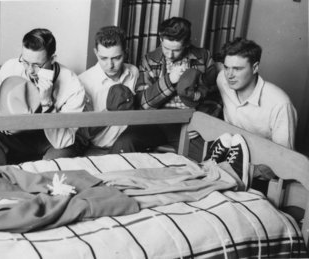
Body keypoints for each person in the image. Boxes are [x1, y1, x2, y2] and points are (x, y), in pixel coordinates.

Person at [0, 28, 86, 167]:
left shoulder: (73, 85)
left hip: (53, 139)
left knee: (54, 161)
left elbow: (63, 141)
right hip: (21, 134)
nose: (29, 70)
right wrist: (8, 126)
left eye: (36, 65)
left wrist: (47, 104)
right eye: (25, 62)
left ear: (52, 59)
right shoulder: (11, 67)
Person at [112, 17, 221, 157]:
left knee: (208, 158)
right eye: (166, 48)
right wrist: (169, 80)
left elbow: (215, 97)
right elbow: (144, 103)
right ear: (160, 39)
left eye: (176, 50)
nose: (170, 55)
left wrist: (201, 122)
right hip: (154, 121)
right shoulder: (149, 59)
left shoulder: (203, 57)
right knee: (123, 144)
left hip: (189, 122)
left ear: (187, 44)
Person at [216, 38, 298, 192]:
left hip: (262, 176)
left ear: (255, 68)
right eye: (227, 67)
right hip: (229, 160)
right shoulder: (223, 80)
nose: (230, 75)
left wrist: (247, 172)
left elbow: (285, 160)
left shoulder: (280, 104)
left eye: (237, 69)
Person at [78, 26, 139, 154]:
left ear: (126, 52)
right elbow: (83, 132)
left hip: (129, 145)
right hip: (97, 149)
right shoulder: (83, 82)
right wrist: (109, 111)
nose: (110, 65)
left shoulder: (133, 72)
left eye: (116, 58)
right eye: (103, 58)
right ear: (96, 53)